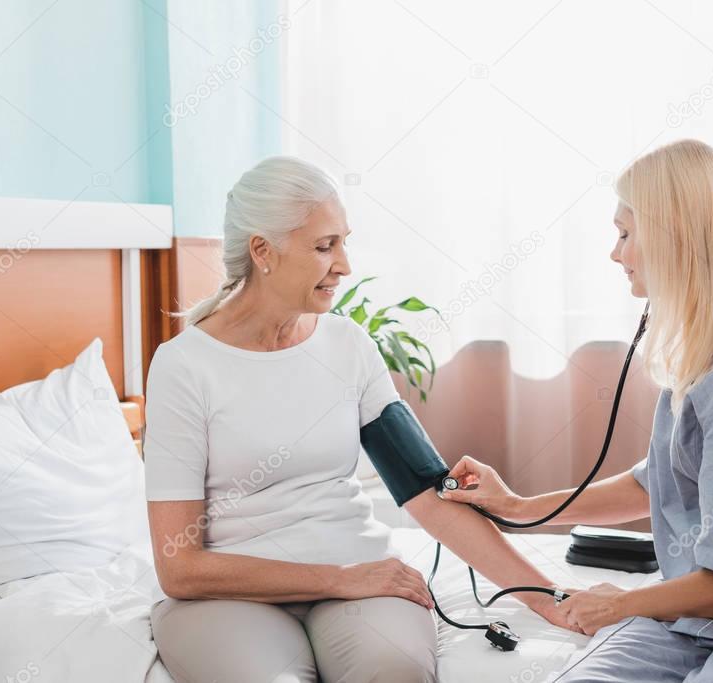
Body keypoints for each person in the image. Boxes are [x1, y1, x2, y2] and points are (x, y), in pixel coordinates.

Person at [442, 140, 713, 682]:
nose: (616, 253)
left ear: (675, 234)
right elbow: (656, 484)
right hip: (701, 617)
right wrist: (518, 508)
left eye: (626, 233)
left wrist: (618, 605)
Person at [143, 156, 571, 683]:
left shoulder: (348, 345)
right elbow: (179, 567)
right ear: (262, 252)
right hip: (230, 593)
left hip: (360, 573)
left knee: (394, 673)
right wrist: (340, 579)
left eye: (344, 242)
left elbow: (429, 496)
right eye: (325, 247)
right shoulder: (184, 366)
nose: (344, 264)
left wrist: (550, 599)